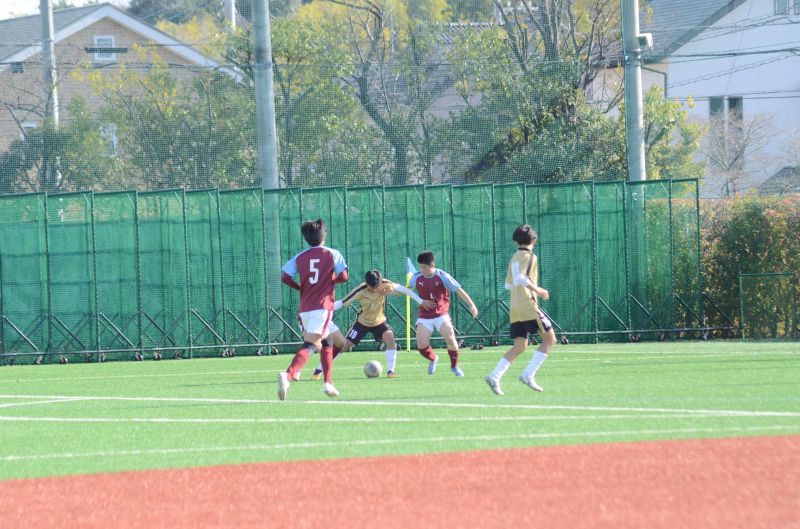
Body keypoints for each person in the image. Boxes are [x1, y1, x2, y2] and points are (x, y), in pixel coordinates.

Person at [309, 269, 434, 378]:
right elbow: (342, 302)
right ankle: (318, 370)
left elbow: (405, 291)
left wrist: (421, 301)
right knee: (343, 346)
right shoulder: (360, 290)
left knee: (390, 340)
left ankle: (391, 371)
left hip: (379, 322)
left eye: (376, 287)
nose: (374, 290)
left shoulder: (386, 283)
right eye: (371, 288)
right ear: (366, 284)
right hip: (362, 324)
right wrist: (323, 309)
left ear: (380, 282)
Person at [278, 219, 348, 400]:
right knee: (312, 344)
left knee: (328, 341)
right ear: (324, 235)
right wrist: (331, 281)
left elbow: (285, 277)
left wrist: (300, 287)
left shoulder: (300, 257)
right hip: (322, 307)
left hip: (305, 308)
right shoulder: (332, 253)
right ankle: (288, 374)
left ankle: (328, 383)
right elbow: (344, 276)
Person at [484, 224, 556, 395]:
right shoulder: (530, 256)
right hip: (527, 305)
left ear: (516, 241)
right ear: (534, 240)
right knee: (550, 339)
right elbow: (521, 277)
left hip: (515, 307)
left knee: (520, 345)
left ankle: (494, 376)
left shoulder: (514, 257)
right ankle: (528, 375)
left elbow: (508, 284)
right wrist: (538, 290)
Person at [410, 251, 478, 377]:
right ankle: (433, 359)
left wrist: (471, 304)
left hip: (441, 314)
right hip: (424, 316)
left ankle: (454, 366)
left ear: (432, 265)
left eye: (424, 267)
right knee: (421, 346)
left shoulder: (443, 276)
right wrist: (420, 301)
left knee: (451, 340)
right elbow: (406, 290)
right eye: (420, 266)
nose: (421, 269)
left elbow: (458, 290)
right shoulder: (416, 277)